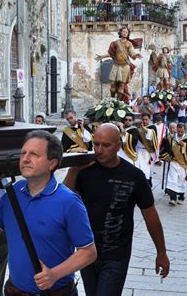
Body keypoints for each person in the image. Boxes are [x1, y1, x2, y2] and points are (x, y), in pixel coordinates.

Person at [0, 130, 97, 295]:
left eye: (34, 154)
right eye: (23, 153)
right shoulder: (13, 193)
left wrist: (54, 274)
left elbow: (89, 252)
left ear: (52, 163)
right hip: (14, 291)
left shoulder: (69, 202)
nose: (25, 159)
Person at [64, 123, 170, 296]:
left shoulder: (134, 176)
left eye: (106, 145)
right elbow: (63, 201)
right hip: (86, 251)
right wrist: (73, 171)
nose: (99, 150)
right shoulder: (84, 171)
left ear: (118, 146)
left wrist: (161, 252)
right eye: (96, 144)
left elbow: (150, 215)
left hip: (116, 256)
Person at [96, 27, 142, 103]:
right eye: (123, 31)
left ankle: (118, 102)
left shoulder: (129, 43)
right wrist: (102, 56)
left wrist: (136, 55)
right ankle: (112, 100)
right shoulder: (115, 43)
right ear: (120, 33)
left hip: (125, 66)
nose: (124, 33)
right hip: (116, 65)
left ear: (128, 34)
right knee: (112, 86)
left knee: (121, 87)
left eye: (126, 32)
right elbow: (111, 54)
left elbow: (132, 52)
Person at [160, 122, 187, 206]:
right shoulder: (171, 138)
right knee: (172, 180)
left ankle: (181, 197)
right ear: (176, 129)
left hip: (183, 163)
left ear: (184, 130)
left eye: (181, 132)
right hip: (173, 162)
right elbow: (165, 148)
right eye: (178, 131)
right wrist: (166, 156)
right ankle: (173, 198)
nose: (180, 133)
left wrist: (185, 146)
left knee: (182, 180)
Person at [135, 113, 158, 187]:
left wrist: (143, 128)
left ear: (149, 119)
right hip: (138, 151)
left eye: (146, 120)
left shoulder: (152, 127)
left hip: (147, 152)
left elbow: (151, 136)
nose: (144, 121)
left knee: (147, 170)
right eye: (143, 120)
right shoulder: (137, 127)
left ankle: (147, 183)